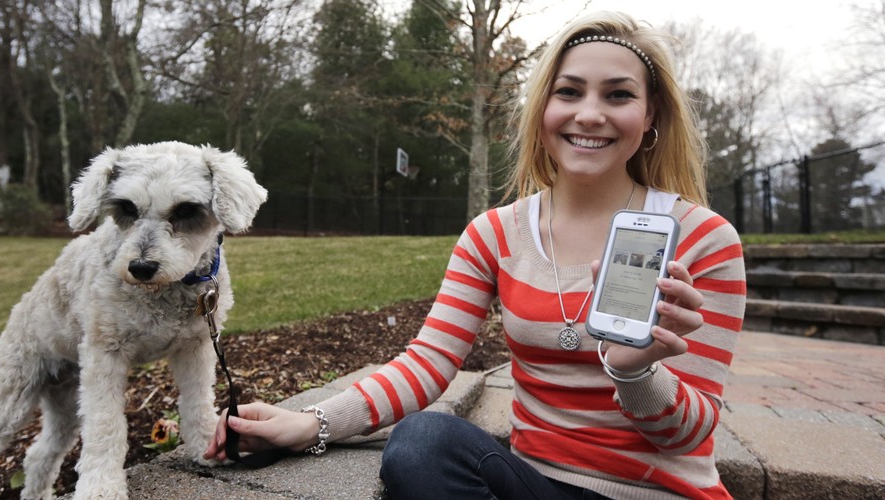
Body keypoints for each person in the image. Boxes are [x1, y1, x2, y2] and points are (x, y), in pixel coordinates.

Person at [205, 10, 746, 500]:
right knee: (423, 443)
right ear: (542, 108)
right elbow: (430, 360)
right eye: (569, 91)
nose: (589, 114)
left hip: (657, 493)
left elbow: (692, 432)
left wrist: (634, 373)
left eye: (618, 95)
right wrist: (310, 422)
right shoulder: (494, 233)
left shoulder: (702, 239)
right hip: (536, 484)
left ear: (651, 115)